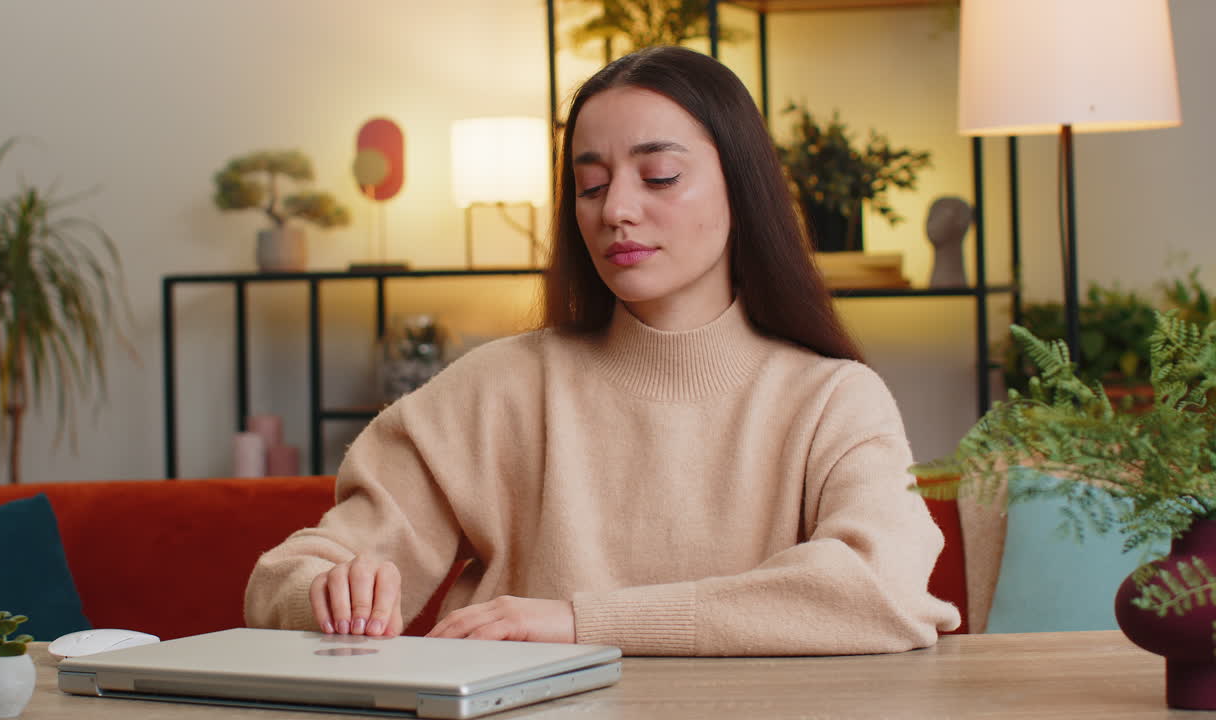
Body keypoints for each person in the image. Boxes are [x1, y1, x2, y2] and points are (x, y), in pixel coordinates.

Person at [245, 45, 961, 656]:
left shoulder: (832, 398)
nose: (615, 208)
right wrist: (329, 594)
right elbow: (288, 577)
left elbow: (882, 590)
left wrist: (580, 622)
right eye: (590, 184)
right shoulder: (500, 388)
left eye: (659, 177)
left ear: (741, 188)